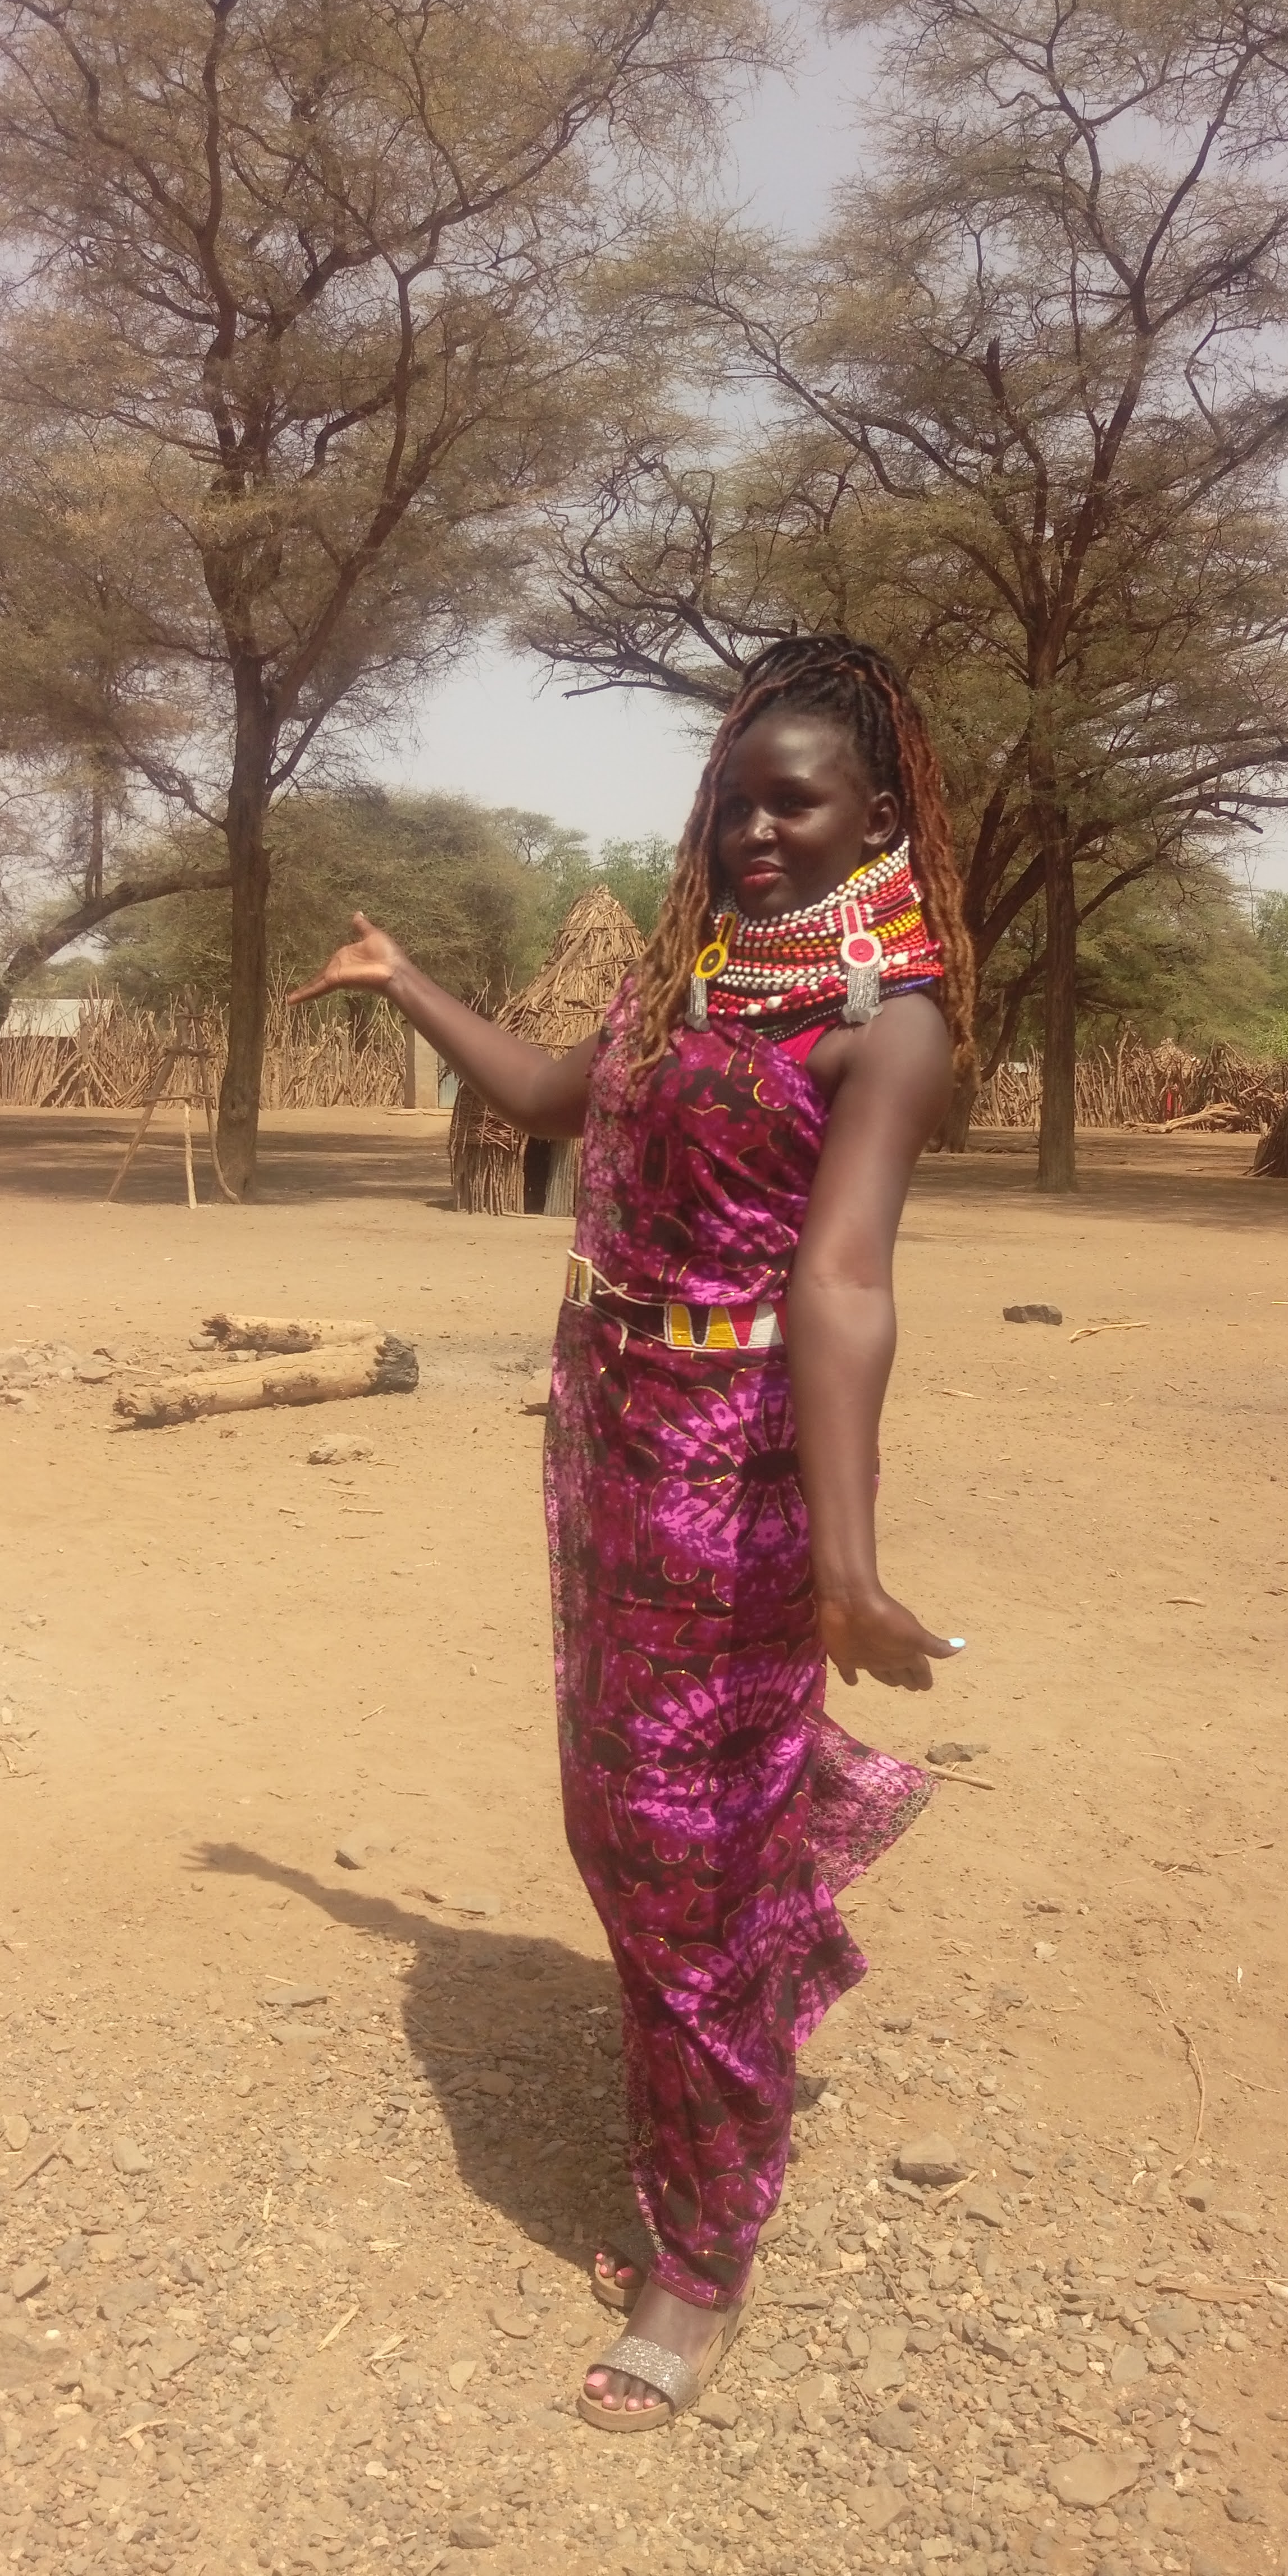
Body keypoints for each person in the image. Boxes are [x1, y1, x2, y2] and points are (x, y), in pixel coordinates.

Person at [290, 632, 975, 2433]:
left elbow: (839, 1279)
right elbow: (537, 1102)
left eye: (793, 801)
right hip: (608, 1427)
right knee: (621, 1805)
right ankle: (771, 1898)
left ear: (874, 814)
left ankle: (704, 2243)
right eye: (731, 800)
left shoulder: (880, 1027)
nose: (753, 832)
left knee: (664, 1847)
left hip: (744, 1458)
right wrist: (402, 978)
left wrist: (842, 1554)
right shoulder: (690, 995)